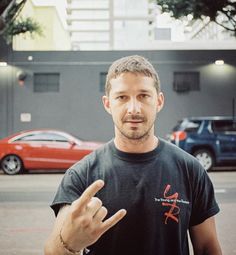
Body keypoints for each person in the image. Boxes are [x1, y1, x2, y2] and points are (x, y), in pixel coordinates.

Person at [44, 55, 222, 255]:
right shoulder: (80, 175)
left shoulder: (190, 169)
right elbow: (52, 250)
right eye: (122, 97)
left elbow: (207, 247)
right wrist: (69, 244)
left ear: (159, 101)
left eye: (144, 96)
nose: (134, 108)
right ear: (107, 104)